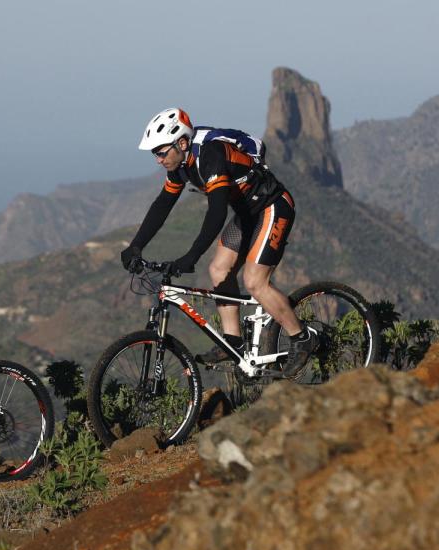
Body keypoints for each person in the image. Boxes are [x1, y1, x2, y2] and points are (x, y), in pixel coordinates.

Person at [120, 108, 317, 377]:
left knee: (254, 281)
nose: (158, 159)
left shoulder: (210, 154)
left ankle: (302, 338)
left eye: (161, 152)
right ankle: (232, 340)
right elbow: (162, 205)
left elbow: (217, 212)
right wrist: (136, 246)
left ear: (182, 143)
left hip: (273, 206)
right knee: (218, 270)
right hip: (248, 213)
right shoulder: (179, 165)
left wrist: (192, 255)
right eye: (155, 153)